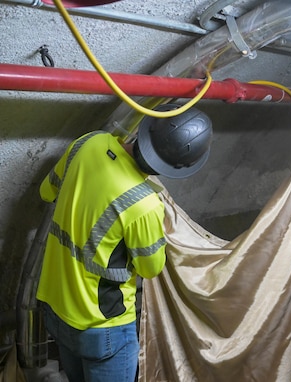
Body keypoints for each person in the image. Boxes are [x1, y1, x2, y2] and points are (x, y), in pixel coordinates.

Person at [36, 103, 213, 382]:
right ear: (174, 167)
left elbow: (47, 192)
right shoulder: (143, 204)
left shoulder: (89, 141)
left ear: (145, 130)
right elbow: (150, 268)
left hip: (55, 308)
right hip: (102, 327)